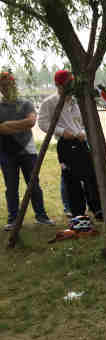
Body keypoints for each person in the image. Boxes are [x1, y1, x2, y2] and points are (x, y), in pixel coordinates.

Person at [38, 70, 103, 221]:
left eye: (70, 84)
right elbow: (42, 123)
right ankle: (78, 212)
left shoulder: (77, 101)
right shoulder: (49, 102)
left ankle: (97, 208)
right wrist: (61, 132)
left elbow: (85, 121)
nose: (69, 88)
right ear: (58, 85)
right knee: (71, 179)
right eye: (66, 85)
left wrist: (83, 132)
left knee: (90, 176)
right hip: (65, 144)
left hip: (81, 142)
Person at [0, 71, 54, 230]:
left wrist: (8, 125)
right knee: (11, 187)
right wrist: (19, 124)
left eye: (9, 84)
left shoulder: (26, 103)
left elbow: (31, 122)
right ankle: (13, 219)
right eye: (3, 86)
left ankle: (41, 216)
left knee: (34, 185)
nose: (6, 88)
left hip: (28, 151)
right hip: (6, 153)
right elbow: (1, 129)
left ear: (14, 85)